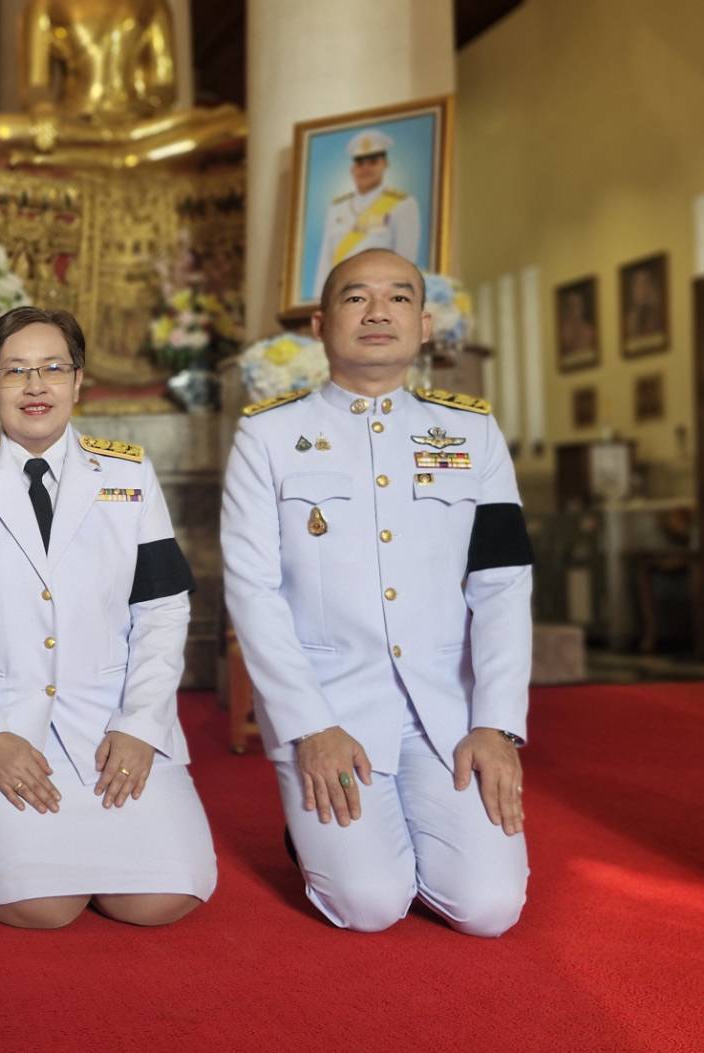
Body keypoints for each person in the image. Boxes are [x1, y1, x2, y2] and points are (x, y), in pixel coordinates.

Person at [222, 248, 532, 937]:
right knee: (368, 903)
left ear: (423, 324)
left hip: (444, 704)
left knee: (488, 909)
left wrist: (496, 722)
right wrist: (306, 724)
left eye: (397, 298)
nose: (377, 312)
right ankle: (314, 837)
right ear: (319, 322)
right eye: (356, 297)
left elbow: (502, 583)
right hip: (328, 702)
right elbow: (251, 588)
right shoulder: (267, 435)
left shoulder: (471, 432)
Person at [0, 305, 216, 929]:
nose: (35, 385)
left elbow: (162, 608)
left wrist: (140, 724)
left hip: (111, 719)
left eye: (53, 367)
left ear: (79, 382)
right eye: (15, 370)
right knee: (43, 907)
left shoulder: (128, 474)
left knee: (162, 900)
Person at [312, 129, 421, 296]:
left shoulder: (402, 204)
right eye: (360, 162)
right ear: (352, 168)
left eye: (373, 161)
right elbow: (325, 262)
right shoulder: (337, 207)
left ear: (385, 163)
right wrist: (319, 301)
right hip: (339, 296)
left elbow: (406, 263)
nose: (365, 168)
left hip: (379, 297)